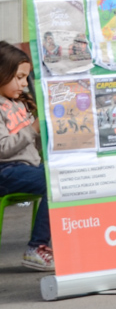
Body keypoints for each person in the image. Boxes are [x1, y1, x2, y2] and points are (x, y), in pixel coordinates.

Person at [0, 43, 50, 271]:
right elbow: (2, 148)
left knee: (62, 176)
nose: (23, 83)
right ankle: (36, 248)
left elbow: (33, 145)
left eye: (26, 78)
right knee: (55, 182)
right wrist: (33, 129)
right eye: (19, 77)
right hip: (6, 171)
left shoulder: (20, 104)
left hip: (27, 169)